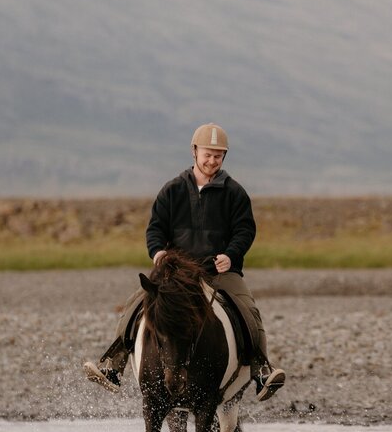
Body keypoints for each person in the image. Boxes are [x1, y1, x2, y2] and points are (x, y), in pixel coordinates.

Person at [83, 123, 286, 401]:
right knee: (135, 304)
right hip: (176, 273)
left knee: (248, 309)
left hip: (217, 270)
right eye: (207, 154)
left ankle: (261, 370)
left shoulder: (235, 192)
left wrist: (231, 255)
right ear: (194, 151)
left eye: (218, 155)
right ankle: (113, 365)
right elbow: (155, 229)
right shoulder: (172, 190)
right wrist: (158, 253)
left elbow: (245, 230)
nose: (212, 160)